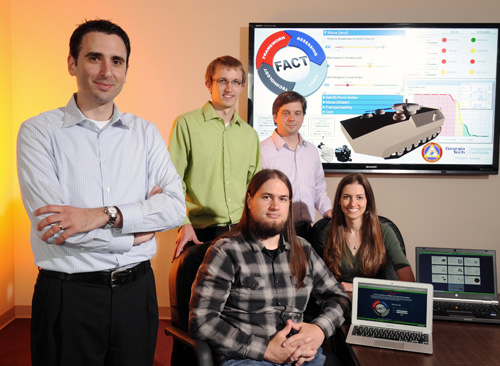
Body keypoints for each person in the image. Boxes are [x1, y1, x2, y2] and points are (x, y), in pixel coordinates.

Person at [16, 19, 185, 366]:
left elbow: (175, 208)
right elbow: (58, 228)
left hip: (137, 295)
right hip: (69, 295)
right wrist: (135, 234)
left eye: (117, 61)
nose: (106, 71)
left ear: (126, 69)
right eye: (94, 58)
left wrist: (101, 216)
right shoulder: (37, 132)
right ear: (71, 63)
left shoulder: (145, 133)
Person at [189, 169, 350, 366]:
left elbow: (338, 297)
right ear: (249, 201)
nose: (275, 206)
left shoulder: (303, 250)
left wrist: (319, 329)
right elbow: (202, 322)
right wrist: (265, 350)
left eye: (283, 199)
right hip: (247, 358)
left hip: (299, 355)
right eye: (267, 197)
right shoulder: (226, 252)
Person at [169, 55, 261, 258]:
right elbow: (171, 181)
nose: (229, 88)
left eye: (236, 82)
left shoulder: (249, 135)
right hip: (200, 234)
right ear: (208, 84)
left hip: (242, 232)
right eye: (222, 81)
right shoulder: (186, 124)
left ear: (242, 86)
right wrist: (182, 224)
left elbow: (254, 189)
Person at [323, 173, 415, 292]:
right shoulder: (330, 232)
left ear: (368, 201)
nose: (352, 203)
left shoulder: (385, 232)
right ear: (339, 201)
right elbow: (327, 279)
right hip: (342, 298)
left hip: (376, 298)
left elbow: (408, 280)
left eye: (359, 197)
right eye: (346, 197)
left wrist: (357, 287)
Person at [261, 91, 331, 241]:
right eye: (286, 113)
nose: (292, 118)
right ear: (275, 116)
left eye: (297, 113)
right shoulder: (262, 151)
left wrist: (328, 211)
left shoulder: (311, 151)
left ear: (303, 117)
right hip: (275, 230)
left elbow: (319, 189)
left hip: (306, 231)